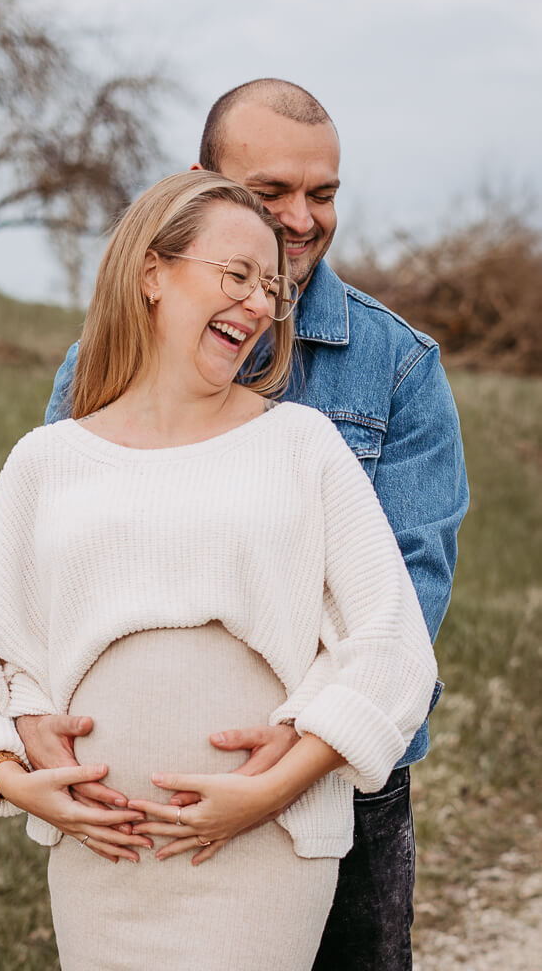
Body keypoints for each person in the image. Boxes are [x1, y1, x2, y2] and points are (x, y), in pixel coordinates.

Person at [0, 171, 438, 971]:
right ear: (152, 274)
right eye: (235, 275)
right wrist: (8, 772)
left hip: (262, 850)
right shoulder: (47, 461)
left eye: (270, 287)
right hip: (101, 858)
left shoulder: (302, 446)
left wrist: (276, 787)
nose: (257, 302)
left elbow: (392, 647)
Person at [30, 79, 470, 971]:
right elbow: (49, 565)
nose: (301, 219)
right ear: (205, 188)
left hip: (341, 789)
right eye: (271, 194)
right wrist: (31, 715)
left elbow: (404, 596)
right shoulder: (100, 363)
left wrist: (302, 747)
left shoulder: (397, 367)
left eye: (324, 193)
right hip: (134, 813)